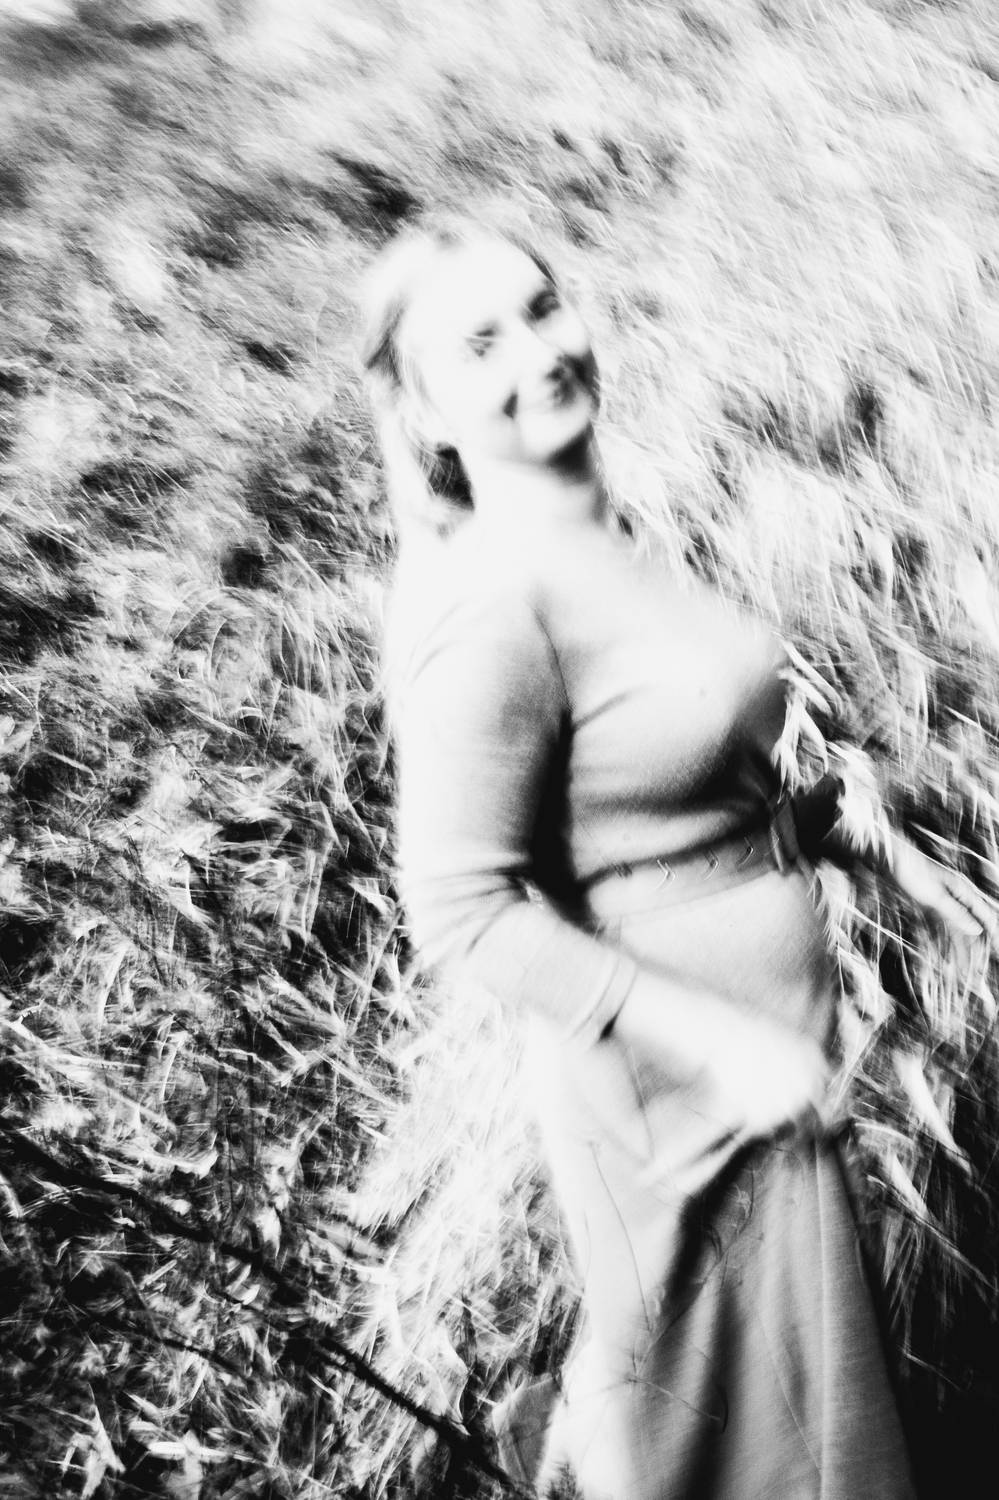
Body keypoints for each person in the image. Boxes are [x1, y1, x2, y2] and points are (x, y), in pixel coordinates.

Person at [360, 218, 992, 1499]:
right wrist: (723, 1043)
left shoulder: (605, 546)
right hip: (671, 1095)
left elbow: (663, 806)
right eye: (481, 344)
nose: (537, 352)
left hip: (762, 1068)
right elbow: (463, 910)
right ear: (426, 411)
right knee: (738, 1449)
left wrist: (852, 843)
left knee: (795, 1427)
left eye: (543, 308)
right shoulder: (490, 605)